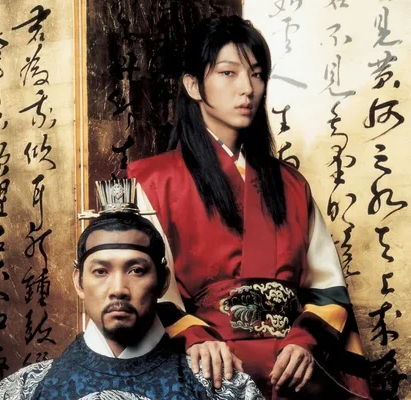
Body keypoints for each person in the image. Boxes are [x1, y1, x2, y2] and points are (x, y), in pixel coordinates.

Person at [127, 15, 371, 400]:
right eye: (228, 73)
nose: (247, 89)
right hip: (206, 368)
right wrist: (195, 338)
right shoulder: (153, 182)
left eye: (257, 75)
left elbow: (327, 287)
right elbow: (143, 284)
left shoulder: (291, 185)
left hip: (292, 370)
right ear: (193, 85)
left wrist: (304, 342)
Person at [0, 180, 263, 400]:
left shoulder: (218, 387)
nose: (118, 289)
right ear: (78, 281)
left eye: (136, 270)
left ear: (163, 280)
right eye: (100, 271)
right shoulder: (28, 388)